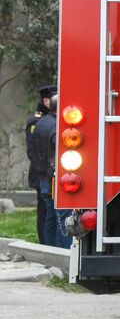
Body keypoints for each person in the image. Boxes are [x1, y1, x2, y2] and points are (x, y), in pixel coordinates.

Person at [24, 84, 57, 245]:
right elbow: (33, 152)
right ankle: (44, 243)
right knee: (44, 211)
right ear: (46, 100)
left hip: (46, 171)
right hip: (41, 172)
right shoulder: (36, 122)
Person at [30, 89, 61, 248]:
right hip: (52, 177)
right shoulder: (56, 126)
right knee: (60, 216)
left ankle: (50, 248)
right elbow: (57, 149)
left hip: (43, 176)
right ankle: (61, 250)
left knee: (50, 215)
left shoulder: (41, 122)